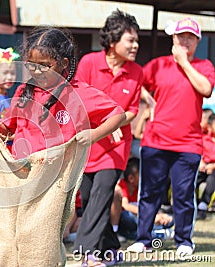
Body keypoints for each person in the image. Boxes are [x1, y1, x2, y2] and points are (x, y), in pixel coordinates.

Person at [0, 26, 126, 267]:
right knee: (12, 229)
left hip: (53, 180)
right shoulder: (25, 91)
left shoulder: (78, 93)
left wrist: (94, 134)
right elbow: (11, 125)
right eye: (31, 65)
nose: (37, 71)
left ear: (64, 63)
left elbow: (118, 113)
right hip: (21, 174)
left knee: (41, 234)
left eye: (45, 65)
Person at [127, 17, 215, 258]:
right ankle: (143, 239)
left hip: (188, 143)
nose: (186, 40)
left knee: (184, 194)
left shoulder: (204, 65)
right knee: (149, 193)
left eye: (191, 37)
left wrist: (184, 62)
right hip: (155, 140)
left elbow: (206, 89)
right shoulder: (158, 65)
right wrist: (148, 100)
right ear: (173, 38)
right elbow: (137, 81)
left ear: (197, 41)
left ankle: (184, 240)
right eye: (181, 36)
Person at [72, 9, 143, 266]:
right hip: (88, 143)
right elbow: (77, 100)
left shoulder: (137, 72)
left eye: (137, 41)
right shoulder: (89, 63)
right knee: (90, 198)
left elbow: (132, 111)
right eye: (130, 40)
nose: (136, 45)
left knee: (103, 193)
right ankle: (111, 248)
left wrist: (114, 122)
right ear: (113, 41)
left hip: (116, 145)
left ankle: (86, 253)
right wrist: (102, 124)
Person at [111, 158, 174, 241]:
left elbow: (149, 205)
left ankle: (155, 231)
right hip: (127, 219)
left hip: (140, 218)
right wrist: (150, 216)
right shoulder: (123, 186)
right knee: (128, 218)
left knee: (170, 220)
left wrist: (160, 215)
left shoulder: (140, 188)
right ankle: (156, 232)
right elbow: (125, 206)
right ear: (131, 178)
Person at [197, 113, 215, 220]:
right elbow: (198, 152)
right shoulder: (204, 138)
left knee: (212, 178)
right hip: (204, 167)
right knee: (192, 177)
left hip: (214, 169)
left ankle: (203, 206)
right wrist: (201, 162)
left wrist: (213, 166)